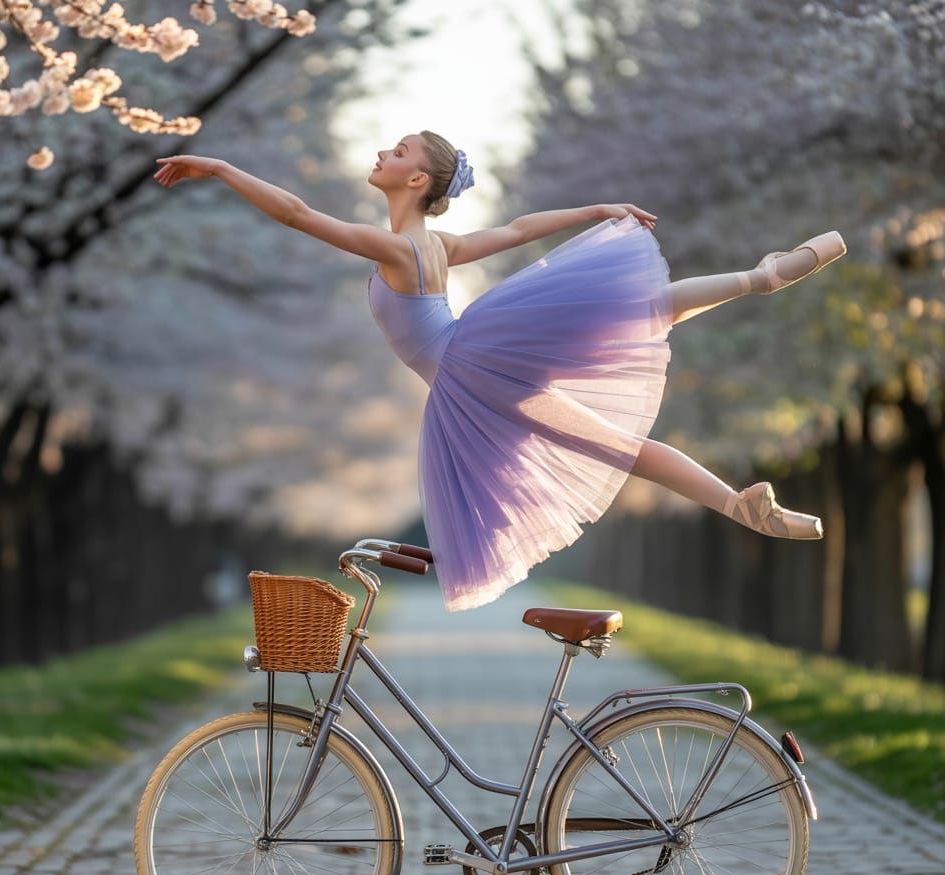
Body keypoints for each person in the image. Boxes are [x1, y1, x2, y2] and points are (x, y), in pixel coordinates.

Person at [154, 131, 847, 613]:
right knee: (629, 348)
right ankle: (740, 478)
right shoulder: (435, 244)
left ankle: (738, 472)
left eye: (395, 152)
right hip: (481, 363)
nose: (381, 154)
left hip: (470, 370)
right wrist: (596, 210)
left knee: (619, 432)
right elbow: (515, 230)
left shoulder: (398, 249)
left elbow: (298, 214)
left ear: (416, 179)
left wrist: (221, 169)